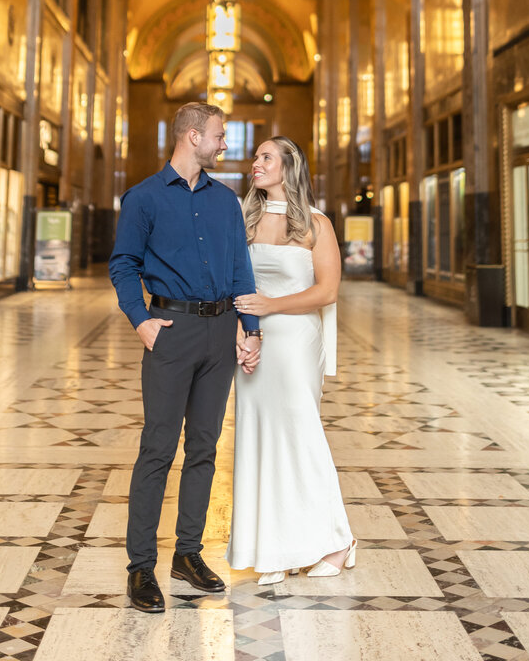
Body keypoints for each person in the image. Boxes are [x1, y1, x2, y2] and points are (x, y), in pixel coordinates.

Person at [109, 102, 262, 613]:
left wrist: (251, 327)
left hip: (220, 334)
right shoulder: (144, 198)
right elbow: (124, 265)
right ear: (192, 136)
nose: (224, 145)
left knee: (204, 447)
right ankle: (140, 567)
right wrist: (141, 320)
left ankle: (188, 555)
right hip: (170, 332)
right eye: (219, 137)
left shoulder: (225, 202)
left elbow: (240, 267)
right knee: (157, 448)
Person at [227, 136, 355, 584]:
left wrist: (270, 307)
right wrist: (243, 332)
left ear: (288, 167)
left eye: (265, 157)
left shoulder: (316, 225)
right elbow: (234, 285)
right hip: (254, 341)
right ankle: (276, 549)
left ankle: (338, 541)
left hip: (297, 341)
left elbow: (327, 291)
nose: (255, 164)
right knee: (258, 437)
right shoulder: (244, 219)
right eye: (256, 157)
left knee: (300, 435)